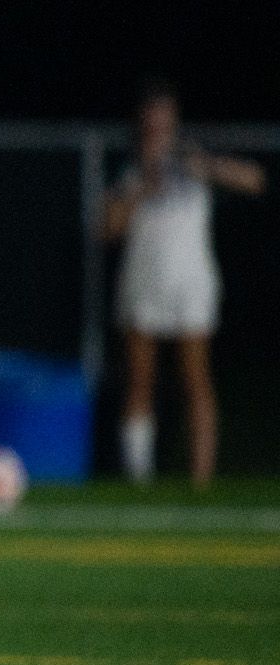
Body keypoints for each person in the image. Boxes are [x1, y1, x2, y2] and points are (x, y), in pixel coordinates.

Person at [102, 85, 264, 484]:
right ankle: (139, 477)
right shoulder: (128, 168)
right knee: (140, 379)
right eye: (150, 114)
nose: (157, 123)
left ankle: (201, 479)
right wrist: (142, 187)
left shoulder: (193, 159)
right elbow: (107, 229)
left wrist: (205, 166)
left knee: (196, 379)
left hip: (190, 285)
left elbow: (254, 181)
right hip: (142, 283)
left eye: (164, 114)